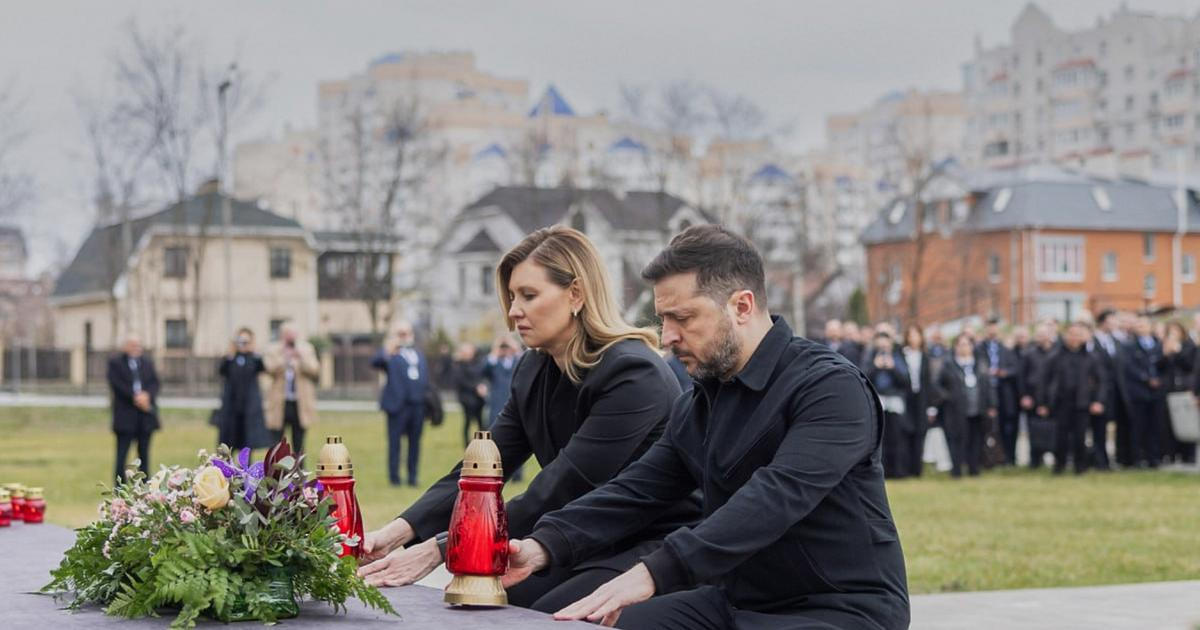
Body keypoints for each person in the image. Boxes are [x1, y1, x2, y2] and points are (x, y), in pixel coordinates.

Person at [505, 225, 909, 629]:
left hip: (840, 609)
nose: (667, 337)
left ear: (742, 306)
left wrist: (654, 572)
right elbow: (635, 491)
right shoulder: (700, 403)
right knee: (593, 624)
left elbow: (775, 497)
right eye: (663, 318)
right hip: (736, 601)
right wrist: (546, 544)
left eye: (683, 318)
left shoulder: (829, 387)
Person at [358, 226, 700, 614]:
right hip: (572, 537)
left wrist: (440, 548)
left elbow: (561, 486)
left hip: (647, 542)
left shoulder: (634, 374)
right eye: (511, 297)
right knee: (484, 607)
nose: (513, 311)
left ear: (576, 294)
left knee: (533, 614)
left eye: (528, 295)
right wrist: (396, 532)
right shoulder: (534, 368)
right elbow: (479, 470)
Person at [1038, 321, 1106, 475]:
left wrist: (1098, 401)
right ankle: (1059, 466)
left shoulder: (1091, 358)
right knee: (1060, 437)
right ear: (1065, 336)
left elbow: (1101, 381)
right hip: (1061, 403)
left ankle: (1080, 467)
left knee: (1080, 437)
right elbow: (1044, 381)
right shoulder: (1054, 357)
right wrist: (1043, 403)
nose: (1075, 338)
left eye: (1078, 334)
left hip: (1082, 403)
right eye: (1072, 334)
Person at [373, 320, 429, 487]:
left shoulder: (418, 354)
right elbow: (375, 362)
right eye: (401, 333)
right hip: (397, 406)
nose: (404, 337)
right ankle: (394, 478)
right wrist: (389, 348)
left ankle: (413, 476)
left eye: (406, 333)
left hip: (417, 405)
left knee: (415, 442)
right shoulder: (391, 355)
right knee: (395, 443)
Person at [935, 334, 996, 477]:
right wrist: (948, 397)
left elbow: (988, 385)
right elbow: (937, 385)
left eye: (967, 344)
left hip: (977, 409)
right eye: (961, 344)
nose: (964, 348)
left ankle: (974, 469)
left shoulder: (979, 363)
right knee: (957, 440)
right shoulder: (948, 364)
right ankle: (956, 471)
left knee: (976, 439)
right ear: (955, 347)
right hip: (956, 411)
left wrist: (991, 405)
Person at [107, 334, 160, 483]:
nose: (136, 348)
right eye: (133, 345)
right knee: (122, 456)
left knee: (144, 456)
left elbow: (155, 383)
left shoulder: (147, 363)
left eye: (138, 345)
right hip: (125, 417)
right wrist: (135, 397)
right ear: (125, 347)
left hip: (145, 417)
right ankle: (119, 488)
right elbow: (116, 384)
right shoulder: (116, 363)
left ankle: (145, 487)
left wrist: (147, 396)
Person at [264, 322, 320, 455]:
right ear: (282, 335)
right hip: (279, 403)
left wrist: (300, 357)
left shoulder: (306, 349)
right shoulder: (273, 350)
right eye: (287, 335)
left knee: (299, 443)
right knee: (276, 443)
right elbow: (269, 369)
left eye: (292, 334)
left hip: (299, 404)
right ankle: (275, 472)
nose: (290, 338)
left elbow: (315, 369)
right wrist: (284, 357)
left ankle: (300, 472)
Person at [216, 327, 272, 451]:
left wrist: (253, 351)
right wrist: (229, 354)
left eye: (246, 342)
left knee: (247, 439)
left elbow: (263, 368)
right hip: (232, 405)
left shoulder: (254, 358)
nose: (243, 345)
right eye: (240, 341)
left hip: (248, 406)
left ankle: (246, 466)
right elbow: (221, 371)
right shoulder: (230, 359)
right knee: (229, 437)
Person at [866, 332, 911, 479]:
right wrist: (876, 366)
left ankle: (899, 470)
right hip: (878, 400)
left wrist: (892, 368)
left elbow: (905, 381)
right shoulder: (870, 357)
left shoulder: (898, 358)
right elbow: (864, 376)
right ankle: (883, 471)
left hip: (895, 401)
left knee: (897, 437)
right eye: (881, 345)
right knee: (880, 439)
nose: (884, 348)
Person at [976, 317, 1020, 465]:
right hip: (984, 393)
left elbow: (1016, 369)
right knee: (985, 427)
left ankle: (1008, 458)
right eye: (989, 327)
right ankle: (985, 459)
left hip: (1004, 392)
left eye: (994, 327)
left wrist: (1004, 373)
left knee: (1007, 427)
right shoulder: (978, 349)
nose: (992, 330)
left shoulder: (1006, 350)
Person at [1124, 316, 1165, 468]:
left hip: (1156, 393)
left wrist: (1158, 379)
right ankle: (1137, 458)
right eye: (1138, 325)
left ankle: (1153, 458)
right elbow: (1129, 367)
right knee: (1138, 427)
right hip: (1139, 392)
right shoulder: (1129, 346)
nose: (1140, 328)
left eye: (1143, 325)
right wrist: (1146, 379)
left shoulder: (1158, 344)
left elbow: (1163, 365)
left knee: (1154, 426)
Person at [1091, 309, 1126, 470]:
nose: (1116, 324)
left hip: (1116, 392)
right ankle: (1100, 461)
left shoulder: (1116, 342)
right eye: (1113, 320)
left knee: (1116, 426)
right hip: (1099, 392)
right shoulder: (1092, 342)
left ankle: (1116, 458)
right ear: (1103, 322)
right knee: (1099, 428)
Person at [1022, 322, 1058, 468]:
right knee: (1035, 431)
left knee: (1055, 431)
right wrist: (1025, 395)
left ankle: (1057, 458)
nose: (1042, 338)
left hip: (1054, 399)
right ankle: (1035, 460)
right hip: (1034, 398)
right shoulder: (1029, 354)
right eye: (1039, 335)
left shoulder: (1058, 353)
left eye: (1044, 334)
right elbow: (1022, 377)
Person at [901, 324, 935, 477]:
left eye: (916, 335)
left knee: (921, 433)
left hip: (921, 399)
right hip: (907, 399)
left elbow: (929, 383)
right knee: (907, 432)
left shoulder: (925, 357)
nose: (913, 338)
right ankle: (906, 468)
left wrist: (931, 407)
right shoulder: (902, 355)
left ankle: (917, 469)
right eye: (911, 335)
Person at [1160, 321, 1195, 463]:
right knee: (1169, 424)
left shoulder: (1189, 346)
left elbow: (1189, 365)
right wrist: (1166, 354)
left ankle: (1188, 455)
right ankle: (1171, 454)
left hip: (1185, 389)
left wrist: (1178, 351)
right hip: (1169, 390)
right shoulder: (1163, 346)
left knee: (1187, 422)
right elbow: (1159, 366)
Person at [449, 342, 486, 447]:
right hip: (466, 398)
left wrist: (482, 386)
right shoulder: (458, 365)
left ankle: (483, 443)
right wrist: (476, 387)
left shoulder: (477, 362)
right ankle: (466, 444)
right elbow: (461, 381)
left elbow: (481, 376)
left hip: (478, 399)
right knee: (468, 421)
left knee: (481, 422)